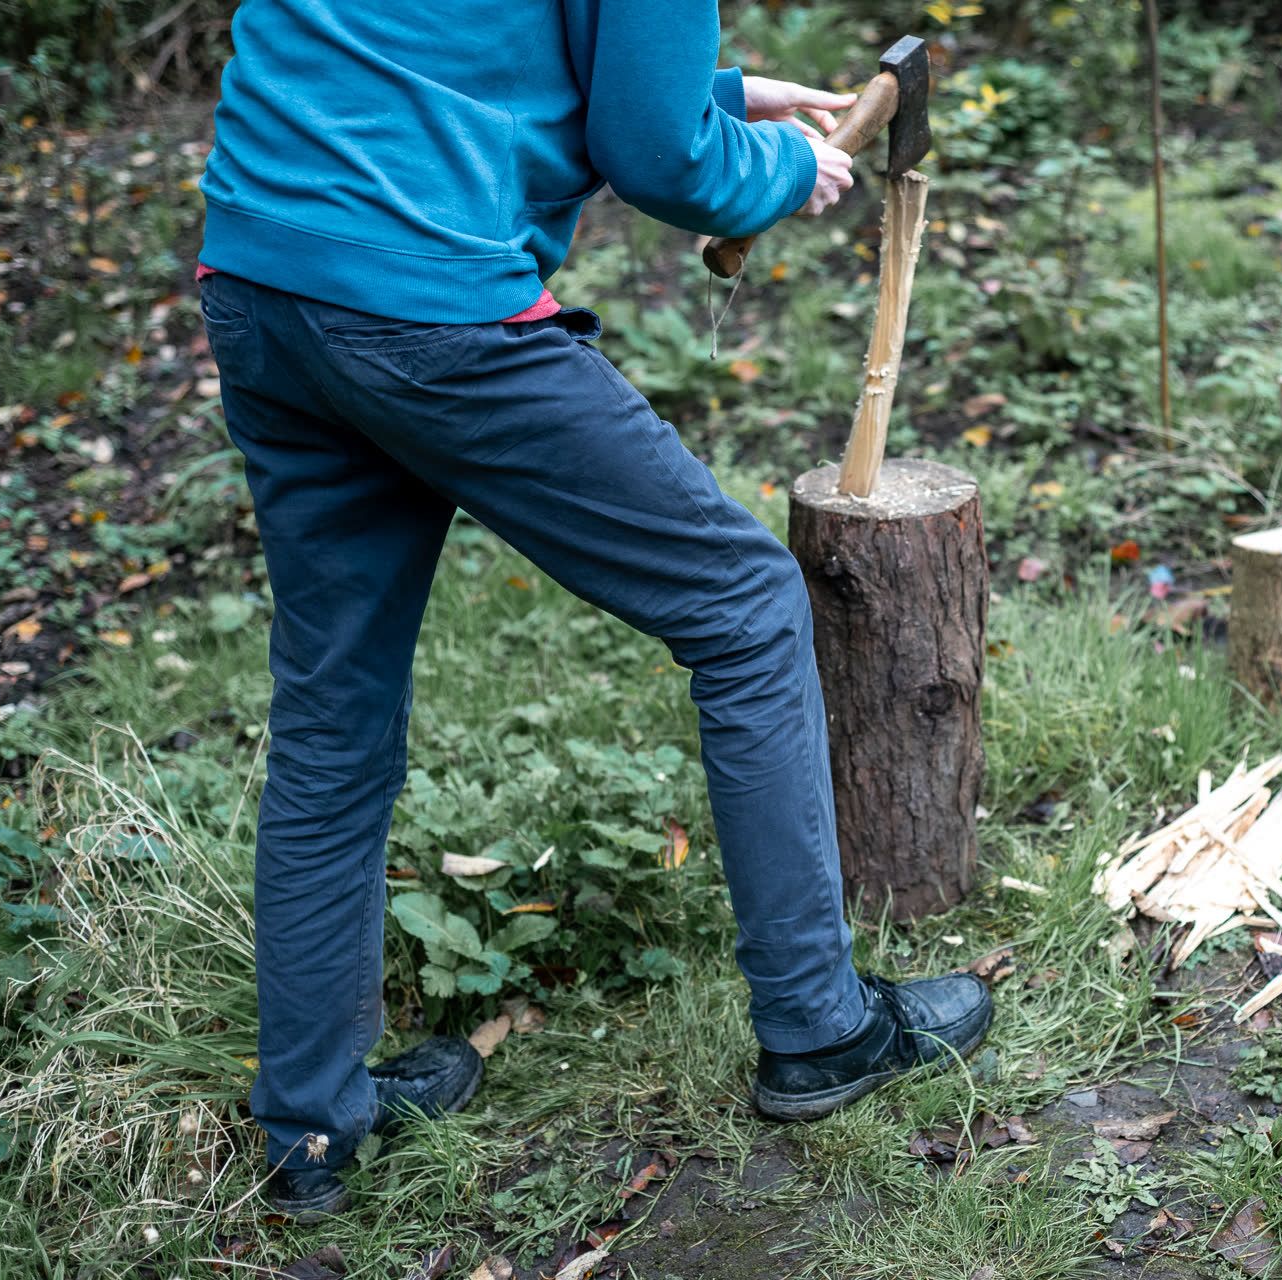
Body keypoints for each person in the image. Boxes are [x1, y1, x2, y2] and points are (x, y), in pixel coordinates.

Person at [194, 0, 992, 1222]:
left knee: (331, 711)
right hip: (424, 300)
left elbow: (455, 43)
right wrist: (770, 165)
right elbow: (658, 159)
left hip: (265, 267)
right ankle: (819, 1024)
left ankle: (311, 1117)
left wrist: (715, 93)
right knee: (742, 601)